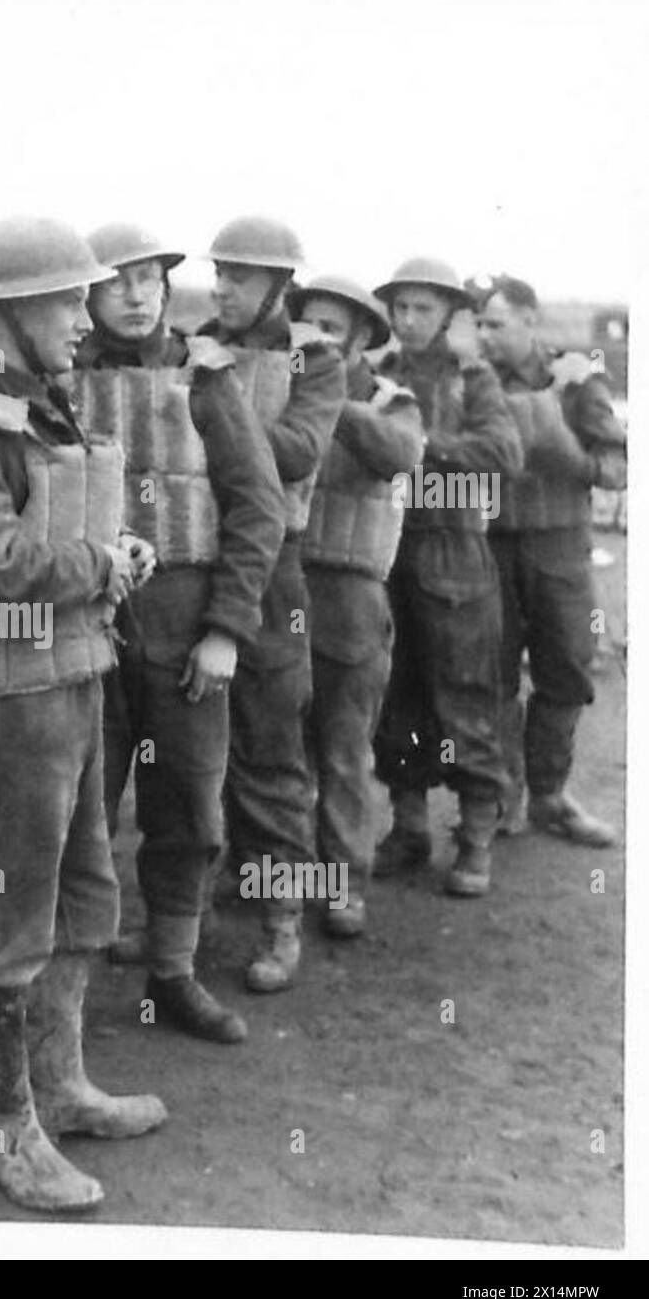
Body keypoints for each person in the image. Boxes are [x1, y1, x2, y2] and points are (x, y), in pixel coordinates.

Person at [0, 216, 167, 1213]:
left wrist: (112, 544)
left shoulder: (32, 406)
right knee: (5, 924)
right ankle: (2, 1132)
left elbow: (47, 528)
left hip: (68, 688)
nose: (85, 317)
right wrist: (100, 565)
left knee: (83, 899)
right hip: (0, 713)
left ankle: (58, 1086)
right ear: (2, 315)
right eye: (64, 300)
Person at [73, 223, 284, 1040]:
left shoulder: (205, 378)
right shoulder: (59, 380)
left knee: (190, 807)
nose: (135, 294)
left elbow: (258, 507)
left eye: (149, 279)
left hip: (186, 623)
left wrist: (226, 628)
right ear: (86, 294)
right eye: (116, 281)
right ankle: (66, 992)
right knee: (79, 807)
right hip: (86, 621)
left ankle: (172, 974)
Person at [197, 217, 346, 992]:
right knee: (186, 744)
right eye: (219, 272)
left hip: (275, 567)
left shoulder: (316, 361)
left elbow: (297, 453)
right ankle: (178, 918)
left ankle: (282, 915)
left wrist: (215, 401)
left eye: (242, 277)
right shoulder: (191, 345)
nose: (223, 287)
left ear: (281, 287)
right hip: (195, 554)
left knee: (270, 740)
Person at [371, 257, 523, 895]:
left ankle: (477, 837)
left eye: (422, 309)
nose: (408, 321)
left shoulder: (473, 377)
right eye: (400, 308)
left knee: (466, 693)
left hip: (454, 550)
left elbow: (504, 455)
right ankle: (409, 827)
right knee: (396, 694)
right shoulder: (377, 374)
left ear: (448, 315)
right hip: (385, 547)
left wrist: (423, 446)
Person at [289, 277, 425, 936]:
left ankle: (342, 883)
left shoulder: (392, 401)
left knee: (344, 752)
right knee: (275, 748)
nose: (314, 336)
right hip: (282, 582)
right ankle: (271, 878)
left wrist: (331, 397)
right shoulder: (279, 389)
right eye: (306, 324)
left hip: (351, 594)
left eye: (331, 328)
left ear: (364, 338)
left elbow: (400, 454)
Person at [475, 275, 623, 846]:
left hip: (560, 544)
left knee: (567, 667)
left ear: (531, 321)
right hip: (488, 546)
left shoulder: (578, 377)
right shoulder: (471, 380)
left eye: (497, 323)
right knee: (493, 673)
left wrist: (560, 439)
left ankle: (551, 794)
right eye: (480, 324)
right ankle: (504, 794)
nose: (485, 335)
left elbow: (614, 468)